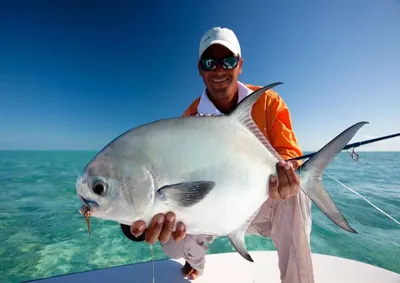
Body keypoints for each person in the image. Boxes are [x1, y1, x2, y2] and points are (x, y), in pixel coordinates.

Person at [120, 27, 314, 283]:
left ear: (240, 65)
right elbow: (174, 178)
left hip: (260, 202)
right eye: (210, 63)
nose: (220, 70)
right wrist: (135, 222)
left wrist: (287, 177)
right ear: (200, 69)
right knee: (171, 238)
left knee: (295, 196)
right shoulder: (188, 121)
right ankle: (196, 264)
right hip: (209, 208)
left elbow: (290, 155)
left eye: (229, 61)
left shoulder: (268, 102)